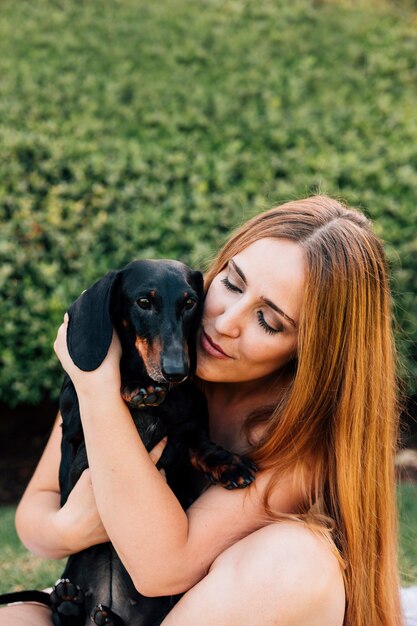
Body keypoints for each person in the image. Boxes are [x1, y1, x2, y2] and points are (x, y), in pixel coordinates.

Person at [0, 195, 404, 625]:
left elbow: (161, 567)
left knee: (300, 561)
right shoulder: (144, 360)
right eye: (231, 283)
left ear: (313, 352)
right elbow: (35, 510)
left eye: (269, 321)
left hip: (212, 609)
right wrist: (70, 529)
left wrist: (96, 385)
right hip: (104, 601)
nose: (226, 321)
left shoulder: (304, 442)